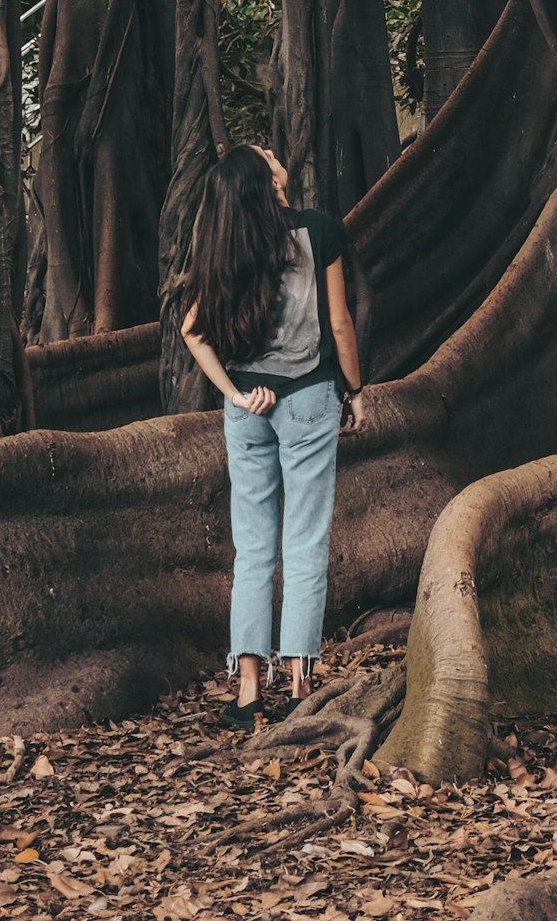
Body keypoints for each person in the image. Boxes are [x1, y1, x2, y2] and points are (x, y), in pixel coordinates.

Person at [180, 144, 366, 731]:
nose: (271, 151)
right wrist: (355, 388)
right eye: (263, 152)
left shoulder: (223, 243)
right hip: (309, 400)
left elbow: (192, 331)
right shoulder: (317, 231)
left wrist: (233, 393)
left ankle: (247, 693)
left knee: (254, 550)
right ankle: (300, 686)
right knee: (306, 543)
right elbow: (339, 322)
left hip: (248, 411)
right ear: (267, 179)